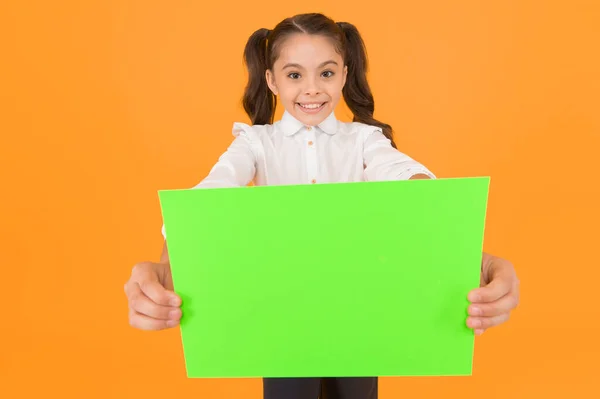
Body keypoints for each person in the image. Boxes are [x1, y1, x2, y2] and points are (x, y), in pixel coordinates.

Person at [124, 12, 520, 399]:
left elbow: (406, 176)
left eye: (326, 73)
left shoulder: (364, 140)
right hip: (282, 311)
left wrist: (463, 247)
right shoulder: (255, 143)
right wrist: (167, 265)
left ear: (345, 74)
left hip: (359, 309)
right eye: (295, 75)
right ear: (272, 81)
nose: (312, 89)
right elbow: (211, 192)